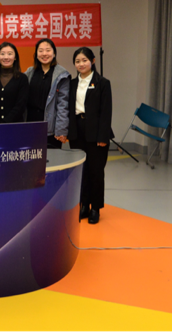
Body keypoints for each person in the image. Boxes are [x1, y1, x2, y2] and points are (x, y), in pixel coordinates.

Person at [66, 47, 114, 225]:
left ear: (93, 61)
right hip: (77, 131)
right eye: (77, 61)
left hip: (96, 132)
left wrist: (103, 137)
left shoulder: (103, 83)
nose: (81, 64)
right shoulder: (71, 83)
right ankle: (84, 205)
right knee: (81, 172)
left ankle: (95, 208)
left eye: (84, 60)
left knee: (96, 171)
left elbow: (106, 112)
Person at [25, 38, 70, 149]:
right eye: (40, 51)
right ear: (36, 54)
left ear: (54, 53)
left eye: (48, 50)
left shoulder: (62, 75)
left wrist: (61, 130)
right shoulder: (29, 72)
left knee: (51, 158)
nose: (44, 54)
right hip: (29, 125)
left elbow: (63, 105)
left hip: (50, 129)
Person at [0, 42, 28, 123]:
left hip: (15, 125)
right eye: (2, 54)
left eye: (10, 54)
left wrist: (4, 123)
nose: (6, 57)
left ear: (15, 57)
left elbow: (21, 105)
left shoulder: (22, 78)